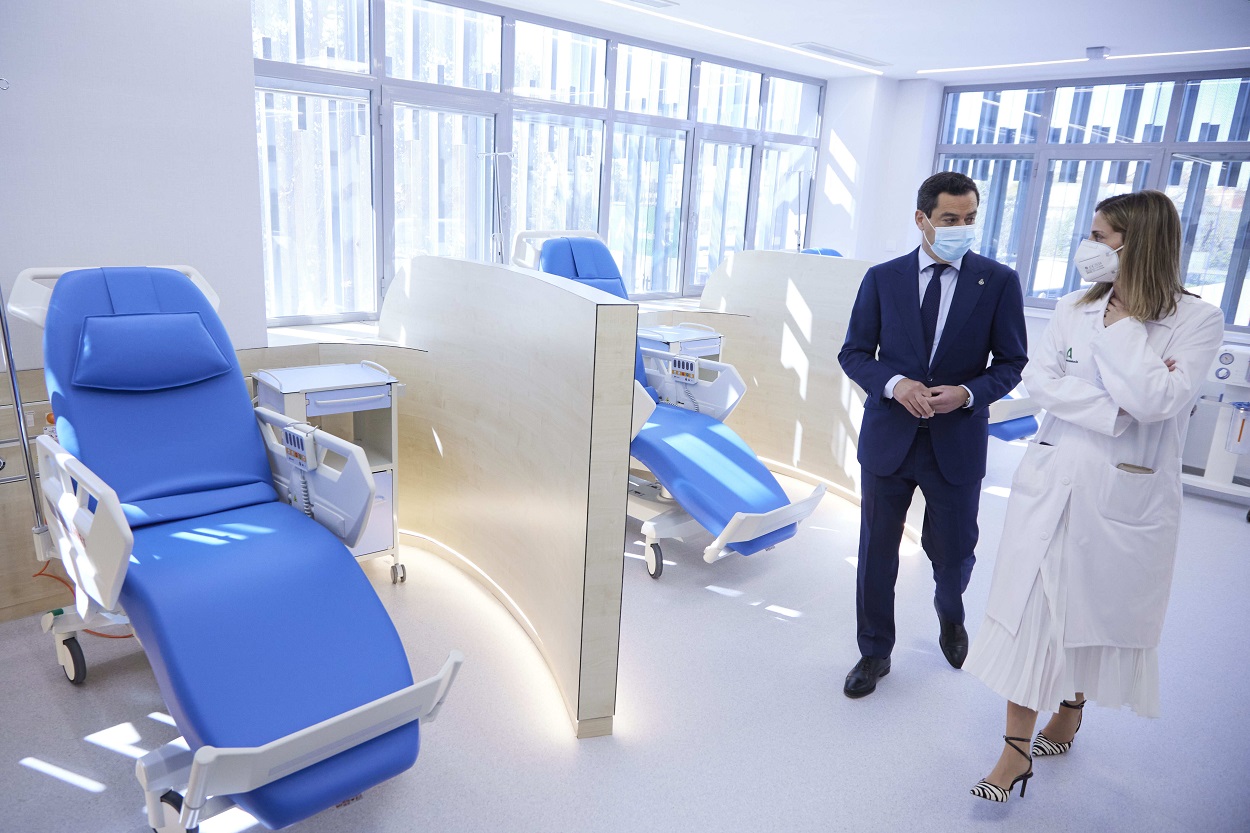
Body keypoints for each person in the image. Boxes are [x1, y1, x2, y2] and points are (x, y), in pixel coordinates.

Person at [965, 190, 1224, 801]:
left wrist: (1127, 329)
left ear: (1137, 245)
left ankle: (1072, 707)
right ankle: (1013, 754)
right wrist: (1118, 410)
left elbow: (1162, 402)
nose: (1090, 248)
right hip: (1054, 479)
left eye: (1102, 237)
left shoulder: (1195, 320)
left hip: (1124, 492)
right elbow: (1043, 380)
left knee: (1087, 614)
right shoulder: (1075, 306)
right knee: (1033, 613)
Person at [838, 171, 1027, 698]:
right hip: (889, 441)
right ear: (922, 220)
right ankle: (874, 652)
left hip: (957, 442)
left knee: (954, 552)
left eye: (969, 219)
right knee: (876, 550)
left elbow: (1011, 362)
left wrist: (967, 394)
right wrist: (895, 384)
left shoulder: (998, 282)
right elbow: (854, 353)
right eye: (949, 220)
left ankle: (951, 614)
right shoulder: (883, 278)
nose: (960, 228)